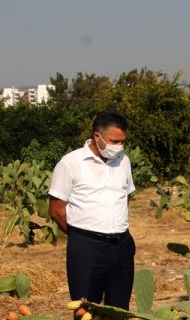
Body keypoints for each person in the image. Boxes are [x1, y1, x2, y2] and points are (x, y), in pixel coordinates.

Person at [48, 110, 136, 309]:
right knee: (85, 310)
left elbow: (125, 197)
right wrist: (82, 235)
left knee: (120, 311)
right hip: (87, 248)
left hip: (121, 245)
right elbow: (56, 209)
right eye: (114, 141)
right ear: (97, 136)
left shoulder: (124, 161)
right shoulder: (70, 163)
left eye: (122, 142)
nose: (119, 146)